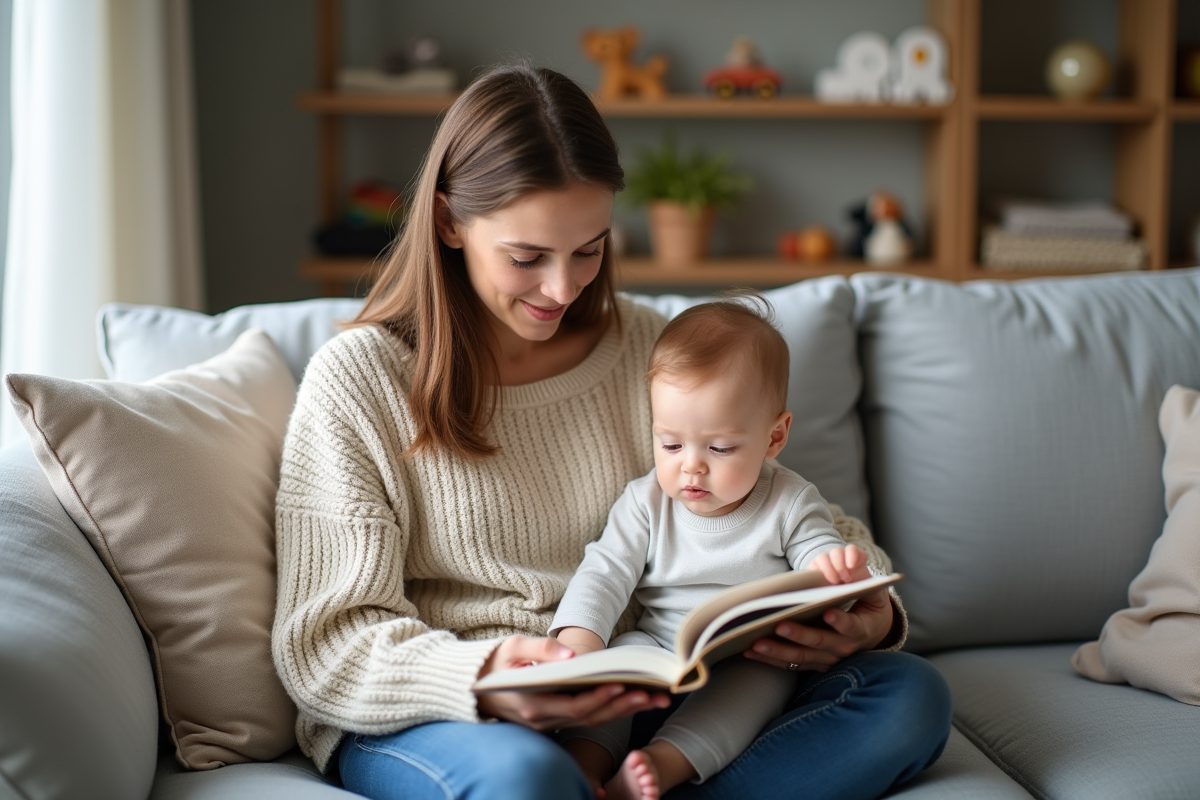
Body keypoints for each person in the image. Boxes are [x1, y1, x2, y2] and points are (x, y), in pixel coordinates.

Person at [271, 63, 952, 800]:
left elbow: (789, 505)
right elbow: (324, 642)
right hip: (451, 712)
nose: (563, 289)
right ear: (449, 223)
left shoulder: (651, 350)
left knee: (905, 694)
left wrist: (867, 612)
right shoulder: (360, 379)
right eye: (527, 258)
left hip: (640, 693)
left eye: (589, 250)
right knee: (528, 778)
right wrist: (485, 680)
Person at [552, 299, 877, 800]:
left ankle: (660, 768)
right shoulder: (646, 501)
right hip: (659, 646)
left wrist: (833, 568)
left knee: (753, 691)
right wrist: (579, 645)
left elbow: (819, 552)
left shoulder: (790, 500)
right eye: (671, 444)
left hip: (752, 653)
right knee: (614, 673)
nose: (691, 467)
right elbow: (604, 571)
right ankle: (582, 767)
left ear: (775, 436)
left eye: (719, 448)